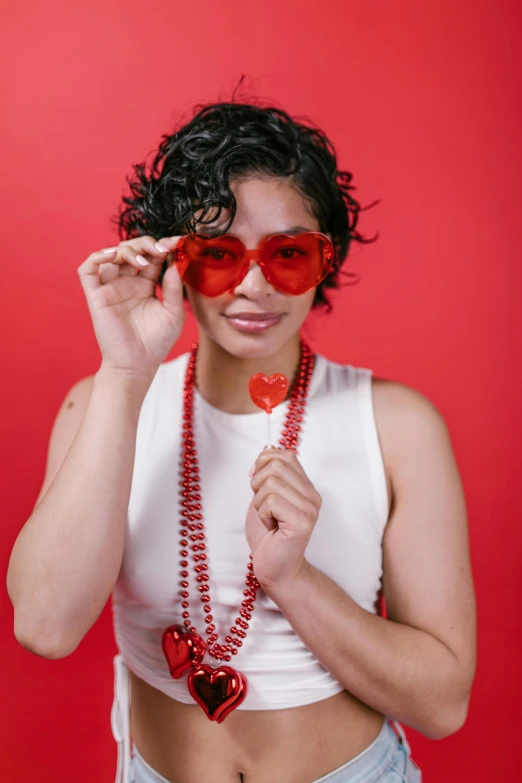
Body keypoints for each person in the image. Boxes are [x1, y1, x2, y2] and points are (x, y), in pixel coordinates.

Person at [7, 96, 476, 783]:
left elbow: (442, 703)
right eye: (219, 254)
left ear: (325, 260)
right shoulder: (103, 405)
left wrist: (292, 578)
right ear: (171, 261)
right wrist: (124, 371)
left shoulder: (398, 425)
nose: (254, 286)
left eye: (288, 253)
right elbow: (45, 626)